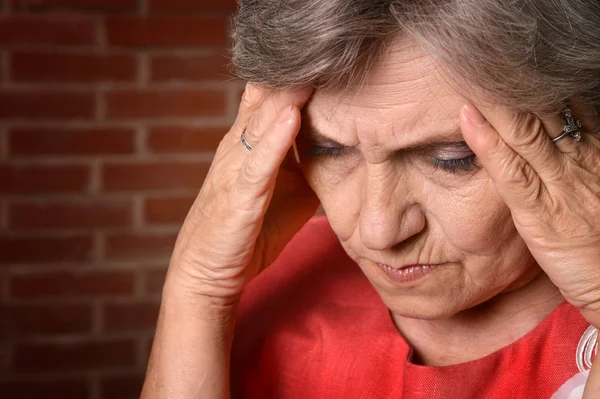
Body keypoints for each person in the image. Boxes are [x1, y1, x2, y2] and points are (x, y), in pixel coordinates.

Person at [141, 1, 600, 398]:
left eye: (452, 158)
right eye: (328, 150)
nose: (378, 231)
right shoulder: (263, 274)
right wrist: (197, 291)